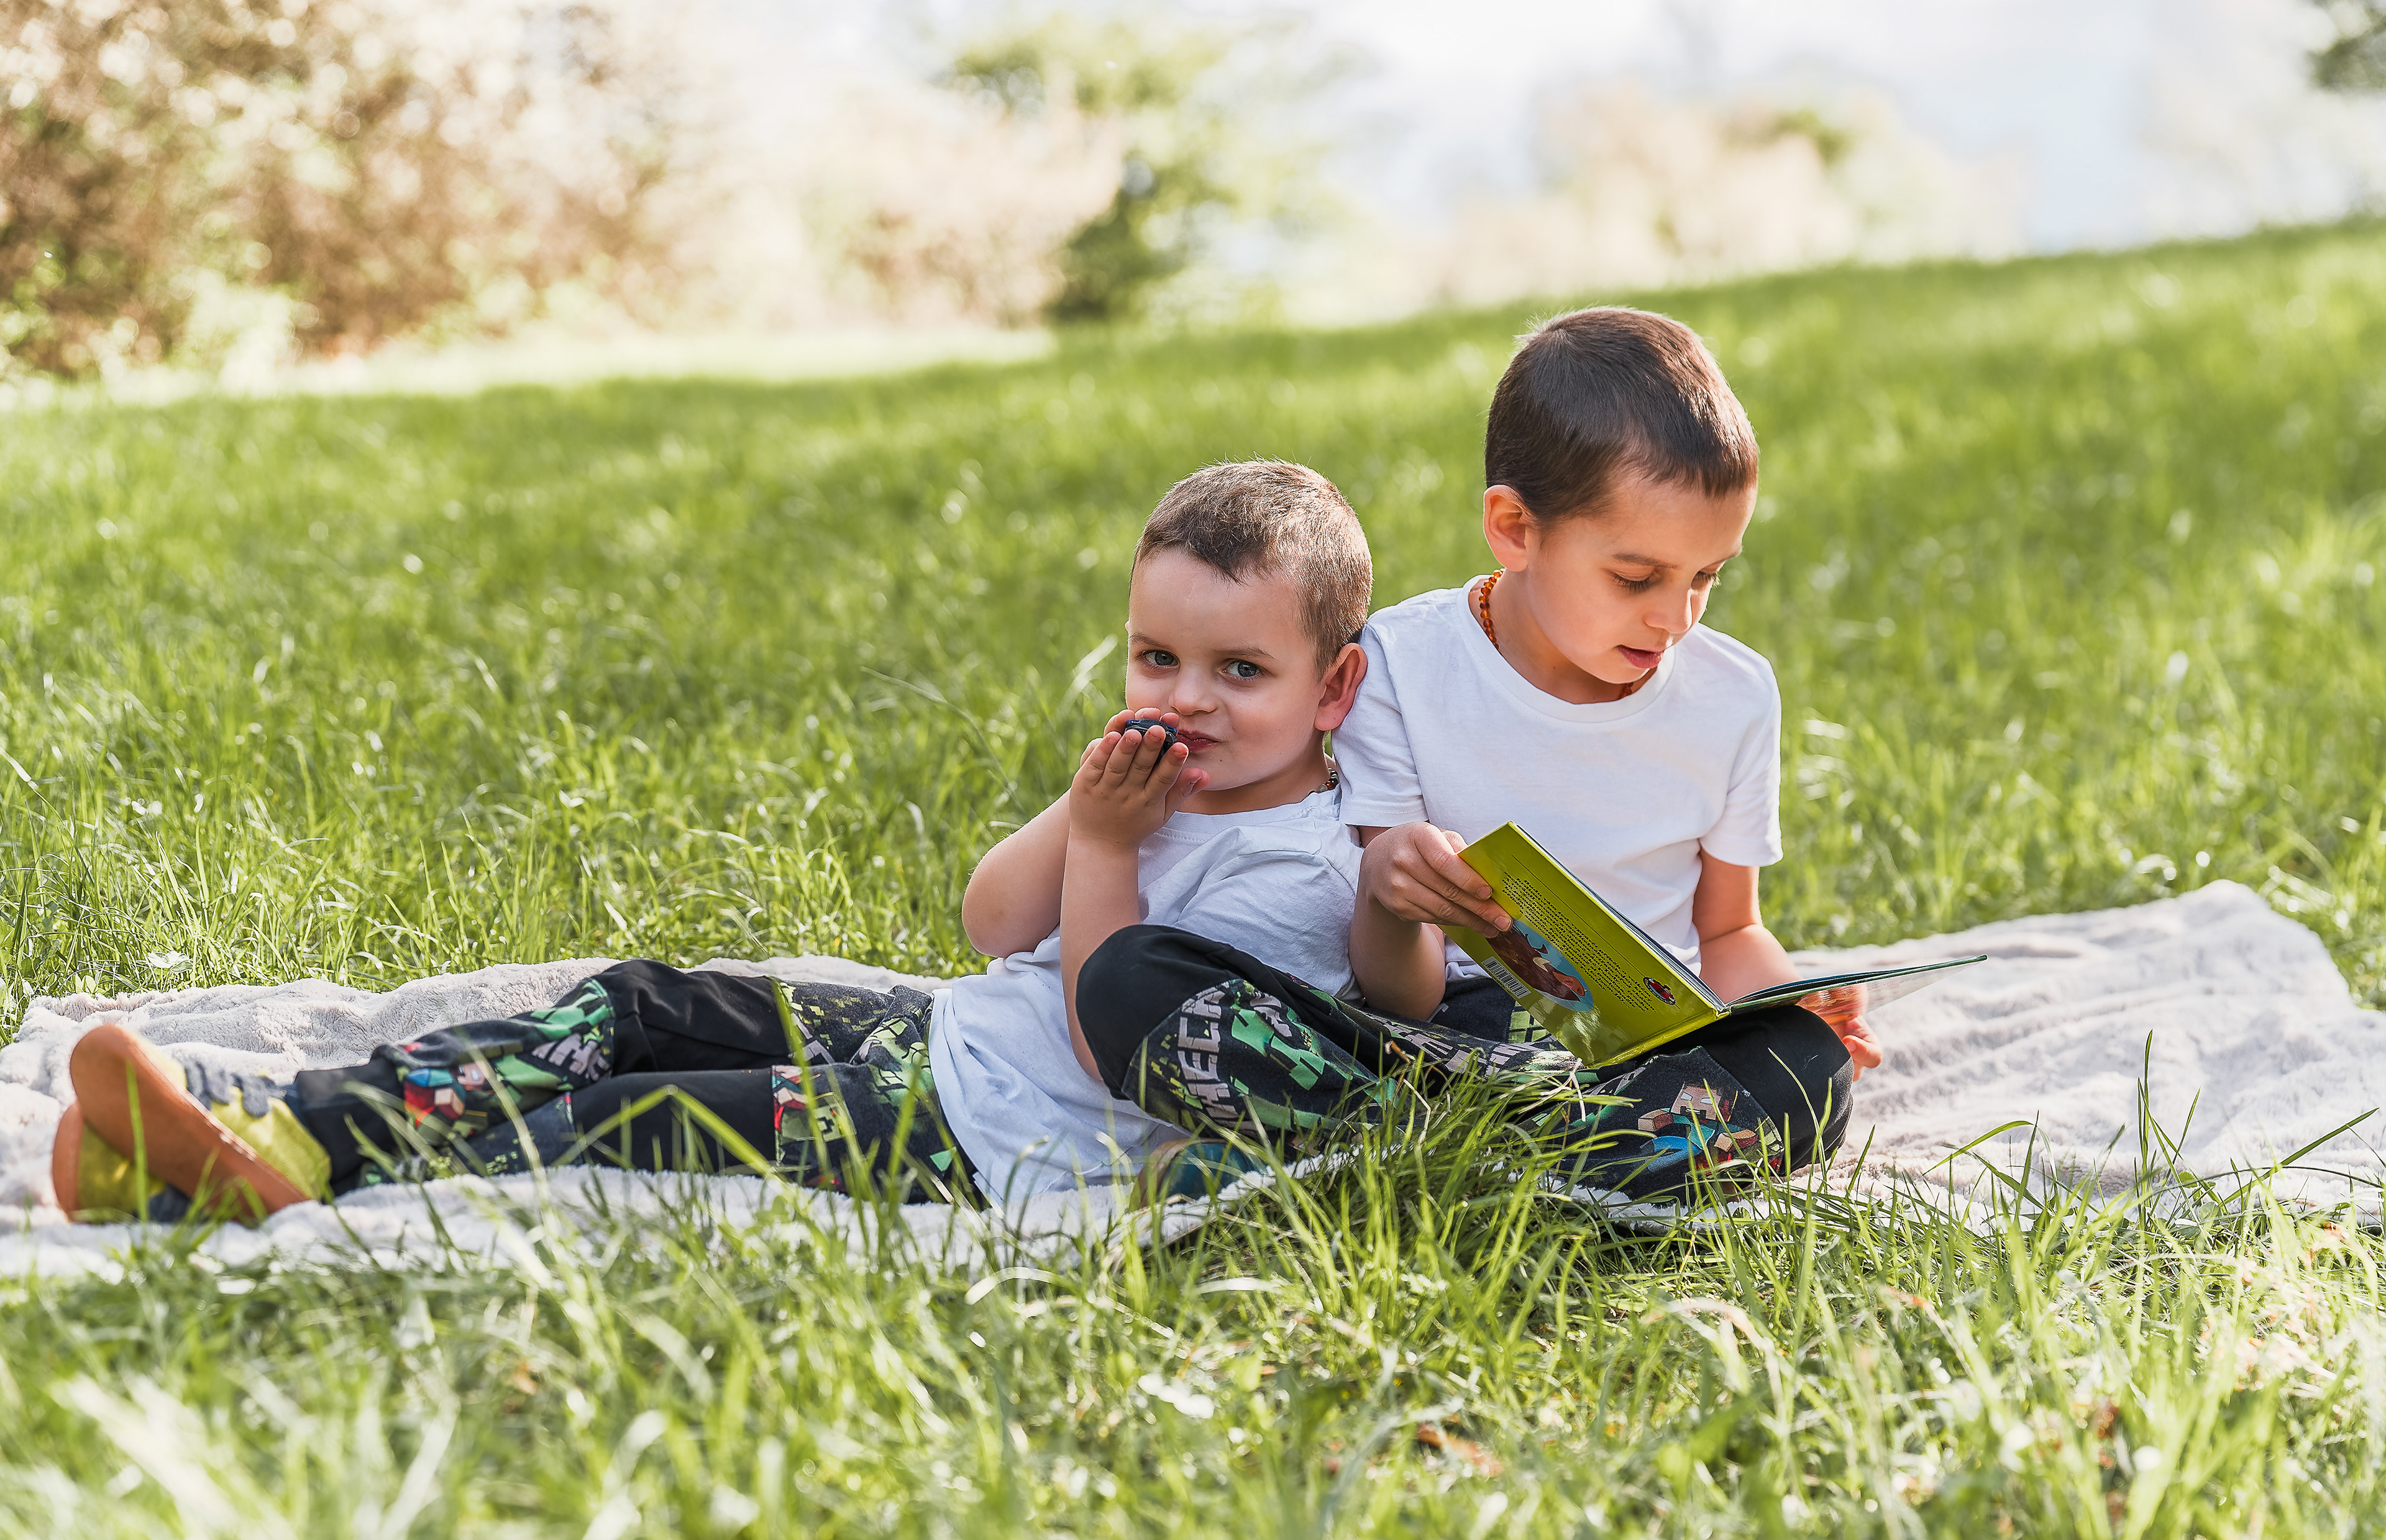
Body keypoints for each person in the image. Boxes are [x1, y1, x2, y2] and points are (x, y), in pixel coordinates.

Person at [50, 460, 1378, 1224]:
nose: (1185, 699)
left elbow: (1110, 1040)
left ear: (1332, 689)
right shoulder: (1157, 779)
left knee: (621, 1122)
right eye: (1156, 656)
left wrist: (1108, 851)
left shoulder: (1297, 874)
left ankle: (233, 1188)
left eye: (1239, 670)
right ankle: (297, 1126)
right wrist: (1088, 815)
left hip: (990, 1139)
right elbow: (991, 925)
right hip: (943, 1041)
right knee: (637, 1003)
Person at [1074, 308, 1868, 1206]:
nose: (1676, 616)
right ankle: (1528, 1173)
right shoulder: (1403, 665)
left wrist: (1792, 1003)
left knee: (1810, 1070)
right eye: (1636, 578)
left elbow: (1727, 933)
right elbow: (1395, 994)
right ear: (1515, 528)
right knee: (1131, 979)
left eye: (1707, 576)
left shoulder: (1735, 693)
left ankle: (1385, 1164)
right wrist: (1389, 888)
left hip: (1641, 1057)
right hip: (1432, 1045)